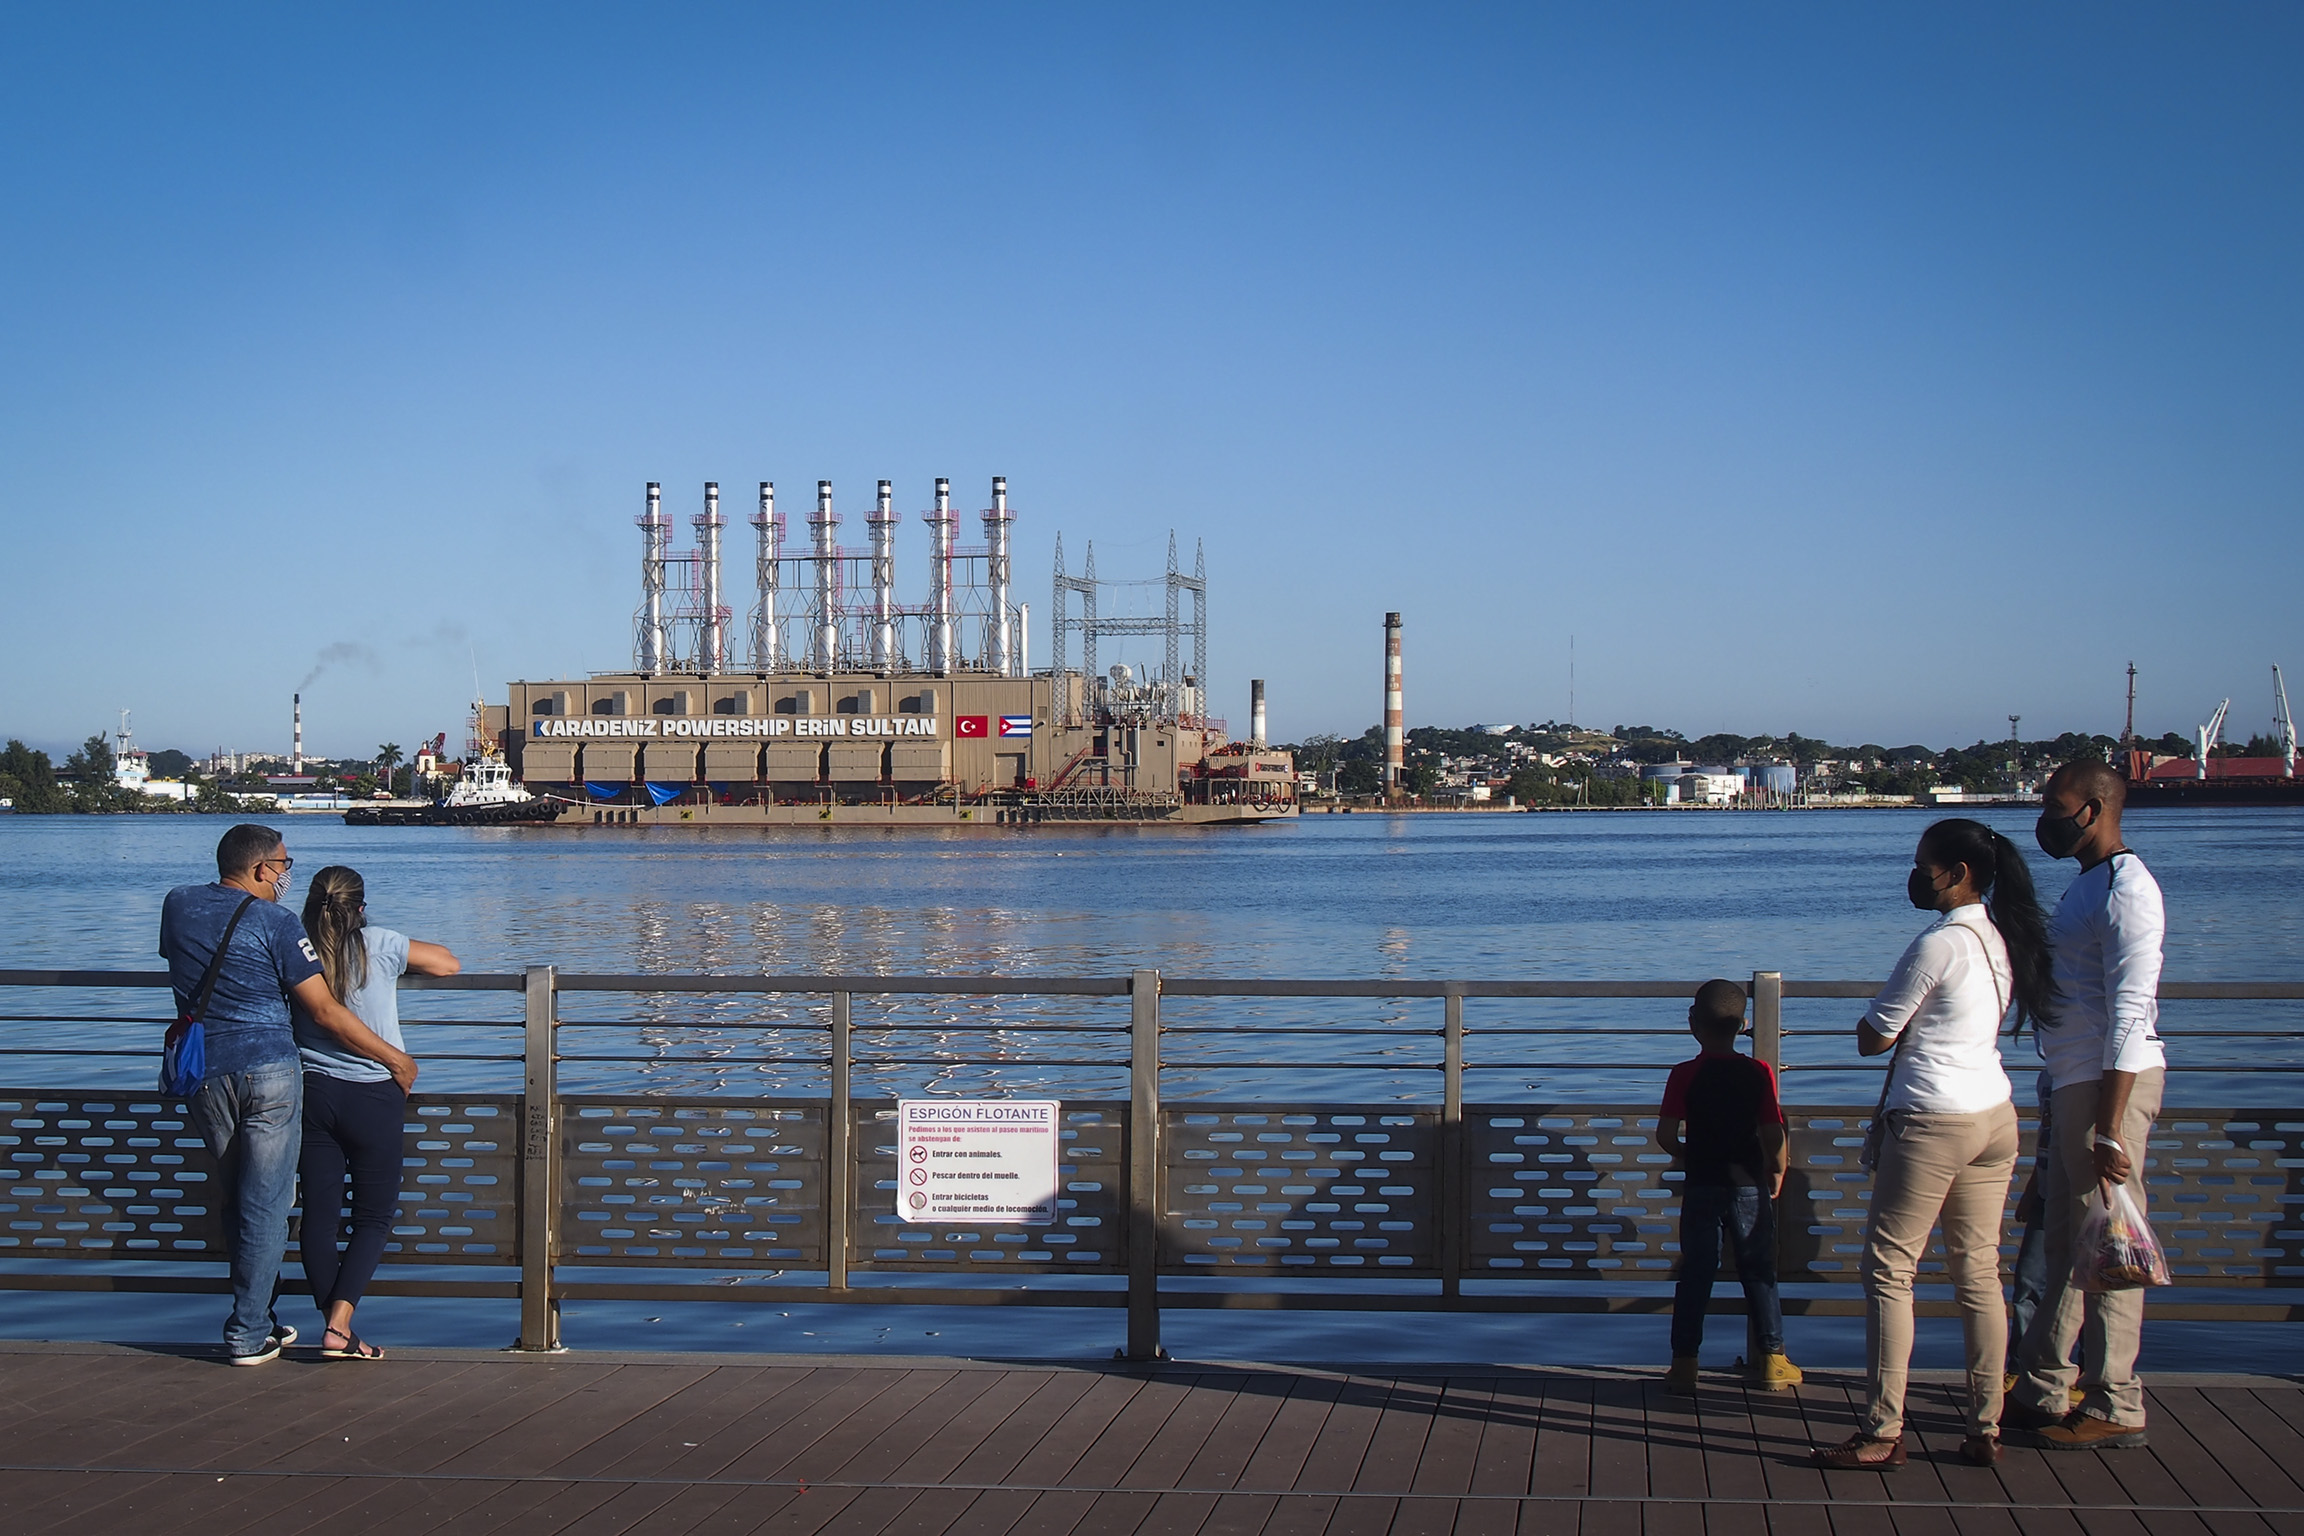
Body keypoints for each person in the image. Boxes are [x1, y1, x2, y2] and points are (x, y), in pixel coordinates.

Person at [1813, 818, 2050, 1470]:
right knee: (1978, 1274)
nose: (1915, 876)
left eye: (1923, 865)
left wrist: (1879, 1016)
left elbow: (1875, 1035)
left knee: (1889, 1272)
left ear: (1956, 873)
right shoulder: (2000, 937)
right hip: (1994, 1115)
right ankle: (1984, 1425)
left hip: (1930, 1121)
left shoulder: (1939, 944)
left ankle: (1883, 1432)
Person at [159, 826, 418, 1366]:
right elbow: (324, 1010)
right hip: (270, 1074)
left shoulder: (178, 904)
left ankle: (262, 1317)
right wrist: (394, 1058)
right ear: (259, 870)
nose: (285, 875)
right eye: (283, 864)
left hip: (203, 1072)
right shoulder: (276, 922)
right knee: (268, 1203)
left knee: (237, 1200)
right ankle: (249, 1332)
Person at [2008, 759, 2168, 1451]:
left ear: (2095, 808)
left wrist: (2109, 1123)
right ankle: (2045, 1385)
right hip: (2075, 1082)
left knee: (2109, 1244)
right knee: (2075, 1241)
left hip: (2109, 1087)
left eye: (2056, 804)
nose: (2046, 816)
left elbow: (2132, 1013)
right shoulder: (2088, 886)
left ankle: (2115, 1399)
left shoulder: (2130, 891)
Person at [294, 866, 459, 1361]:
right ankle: (341, 1325)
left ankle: (334, 1328)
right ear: (359, 908)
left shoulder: (295, 949)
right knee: (373, 1216)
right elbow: (448, 963)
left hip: (312, 1093)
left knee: (318, 1219)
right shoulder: (377, 943)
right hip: (373, 1094)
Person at [1657, 978, 1799, 1396]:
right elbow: (1773, 1133)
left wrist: (1687, 1155)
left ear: (1692, 1024)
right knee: (1758, 1270)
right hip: (1749, 1184)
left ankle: (1684, 1364)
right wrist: (1777, 1169)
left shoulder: (1683, 1074)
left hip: (1702, 1182)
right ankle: (1773, 1360)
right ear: (1744, 1025)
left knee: (1697, 1272)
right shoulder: (1757, 1072)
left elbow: (1665, 1134)